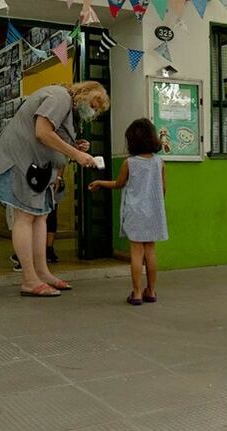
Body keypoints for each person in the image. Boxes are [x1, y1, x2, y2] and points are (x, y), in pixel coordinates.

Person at [0, 81, 109, 297]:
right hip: (20, 162)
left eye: (97, 110)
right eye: (93, 105)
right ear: (83, 94)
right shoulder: (60, 97)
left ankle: (42, 273)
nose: (93, 111)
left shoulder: (65, 104)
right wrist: (75, 154)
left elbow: (52, 135)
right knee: (24, 217)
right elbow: (42, 132)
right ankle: (30, 279)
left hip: (33, 166)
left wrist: (75, 145)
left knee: (40, 216)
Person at [89, 119, 167, 306]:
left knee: (136, 253)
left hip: (135, 213)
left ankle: (137, 292)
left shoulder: (129, 163)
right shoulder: (160, 163)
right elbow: (163, 190)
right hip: (154, 213)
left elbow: (119, 184)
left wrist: (100, 183)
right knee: (151, 252)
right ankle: (152, 291)